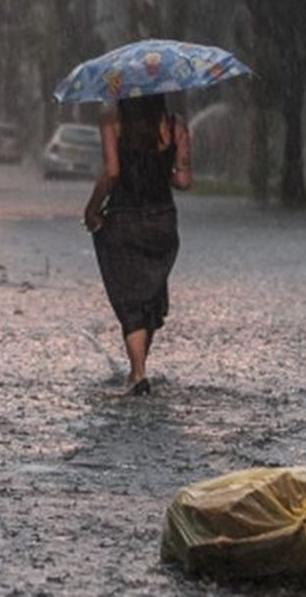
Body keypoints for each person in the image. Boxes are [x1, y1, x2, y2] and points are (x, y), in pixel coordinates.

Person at [82, 93, 192, 396]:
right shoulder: (175, 125)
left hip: (124, 219)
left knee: (129, 297)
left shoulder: (112, 120)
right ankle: (139, 366)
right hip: (163, 222)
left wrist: (91, 210)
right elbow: (183, 180)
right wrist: (161, 167)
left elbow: (112, 173)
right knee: (150, 293)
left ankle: (138, 373)